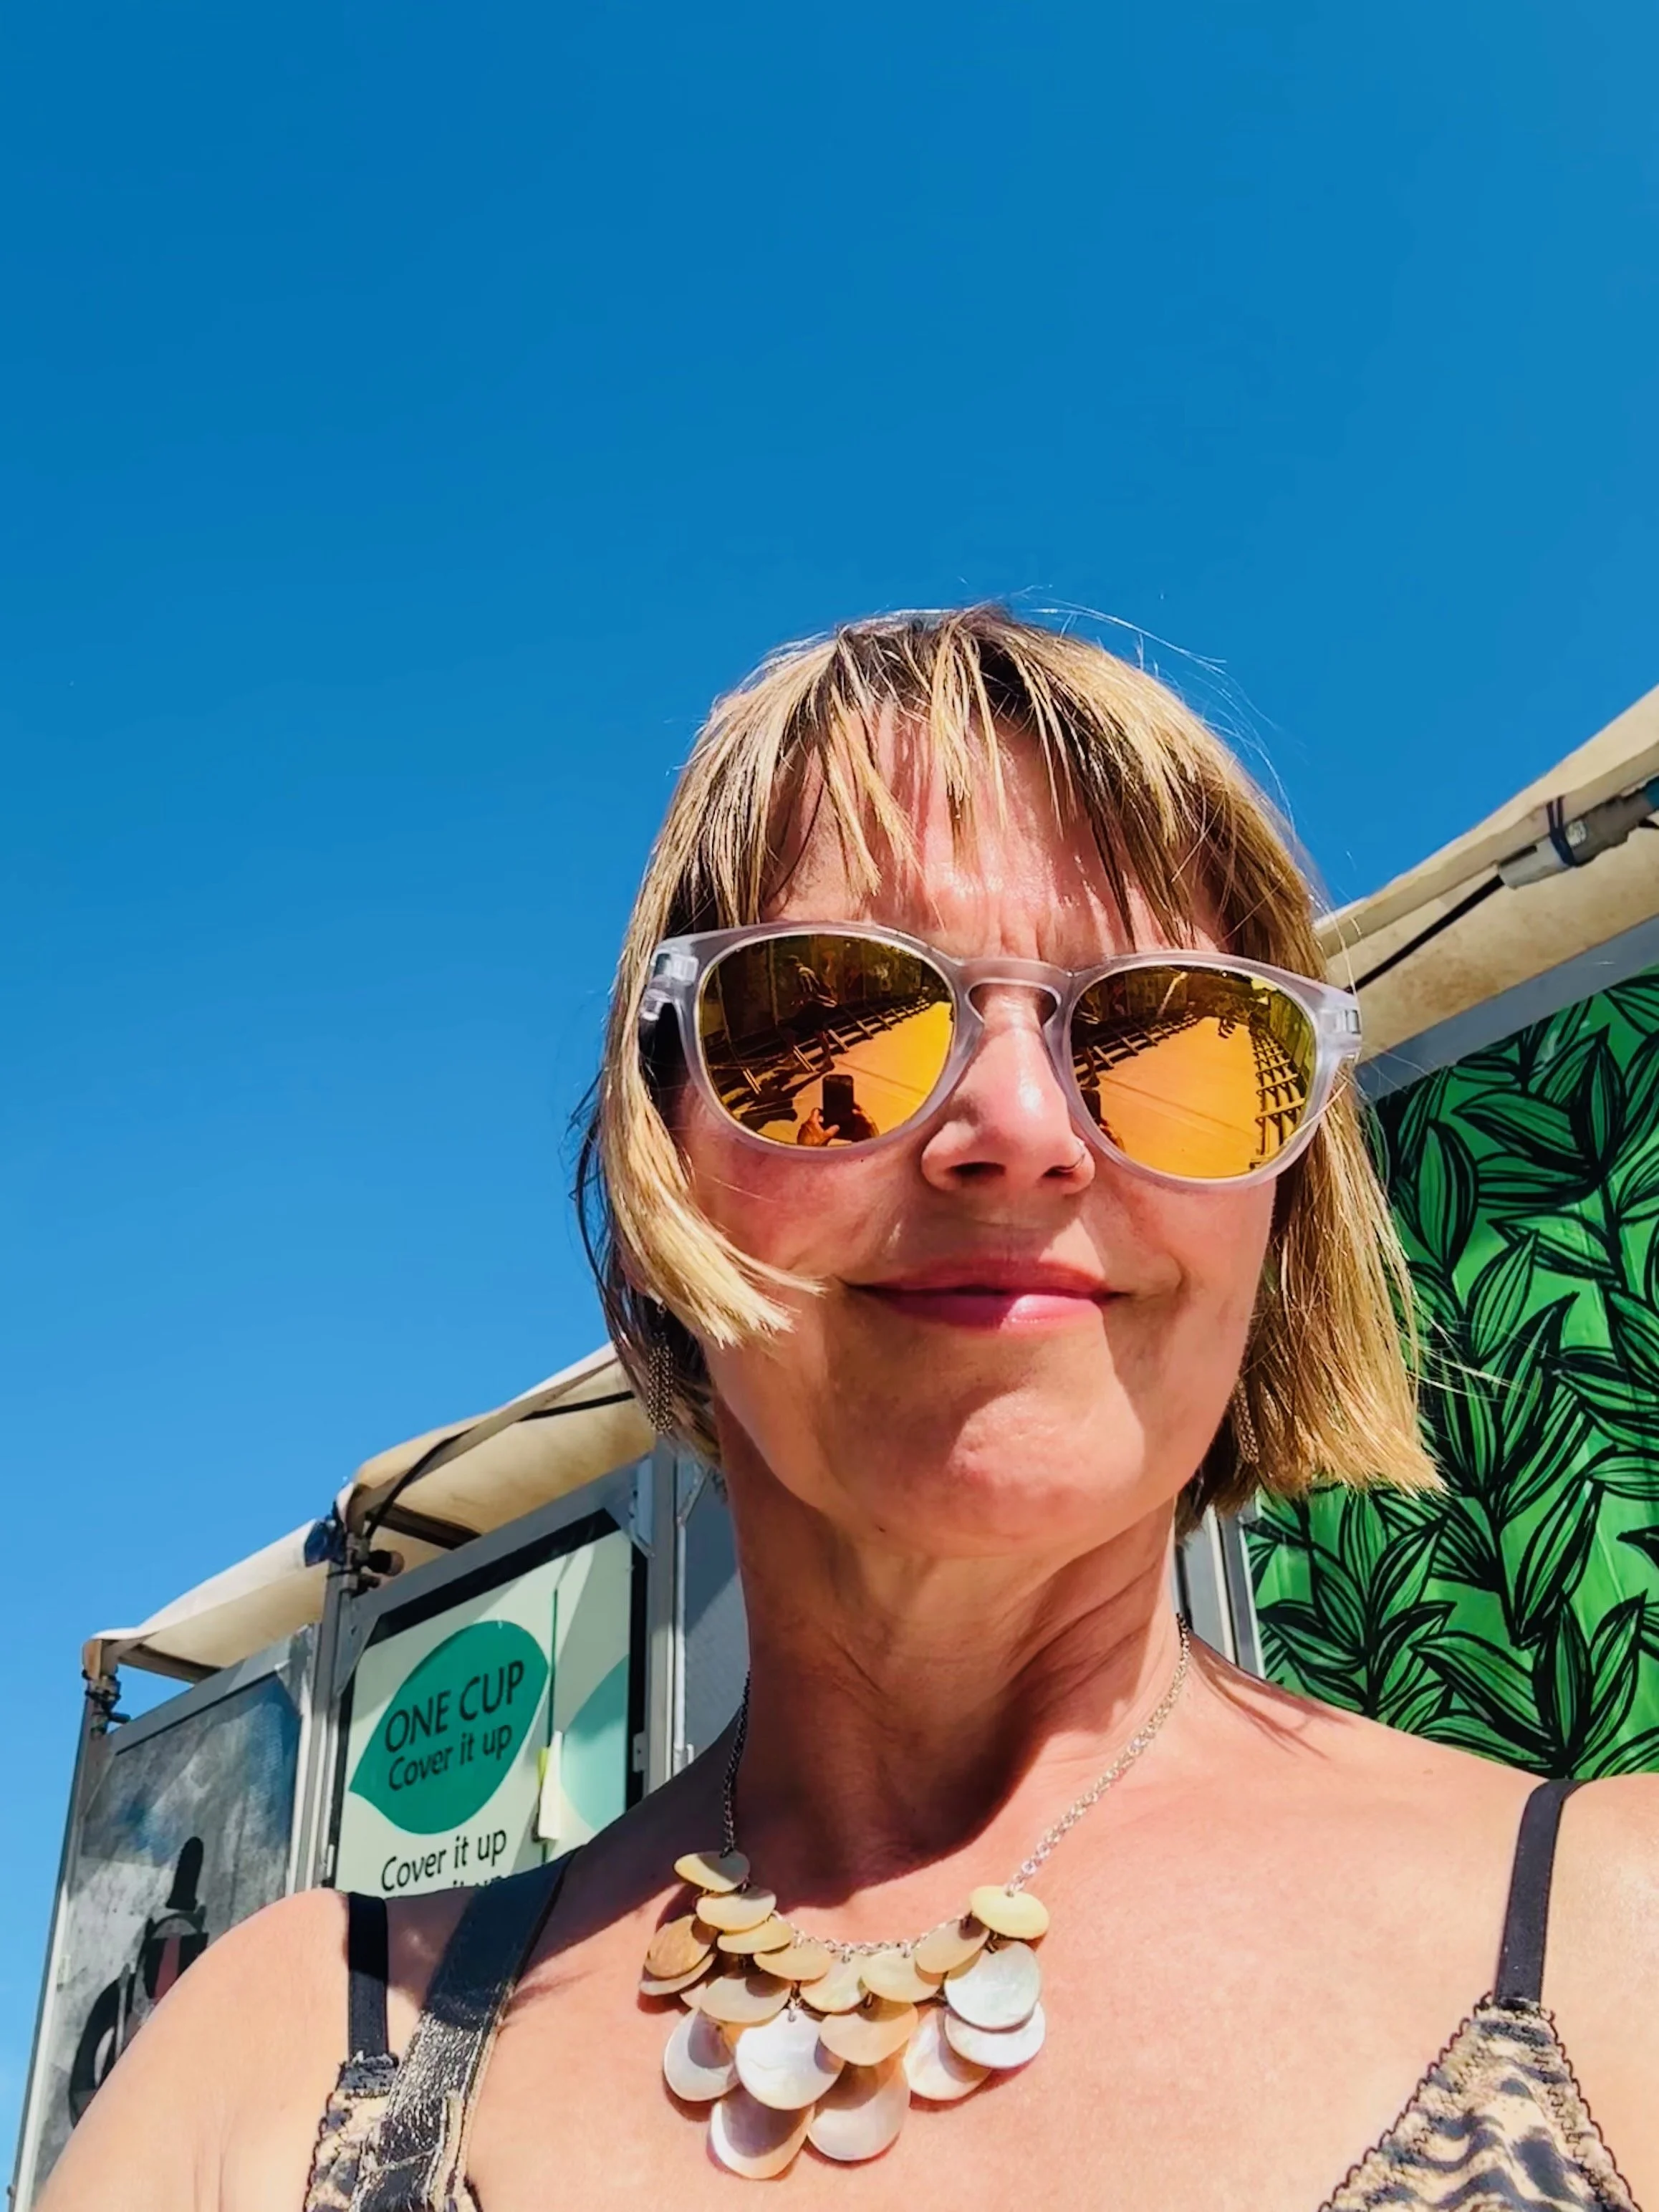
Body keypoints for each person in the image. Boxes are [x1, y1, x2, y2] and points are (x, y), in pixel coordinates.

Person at [44, 609, 1658, 2212]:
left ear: (1282, 1197)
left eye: (1176, 1037)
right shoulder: (281, 2067)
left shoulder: (1621, 1935)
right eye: (837, 1023)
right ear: (656, 1149)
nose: (1021, 1127)